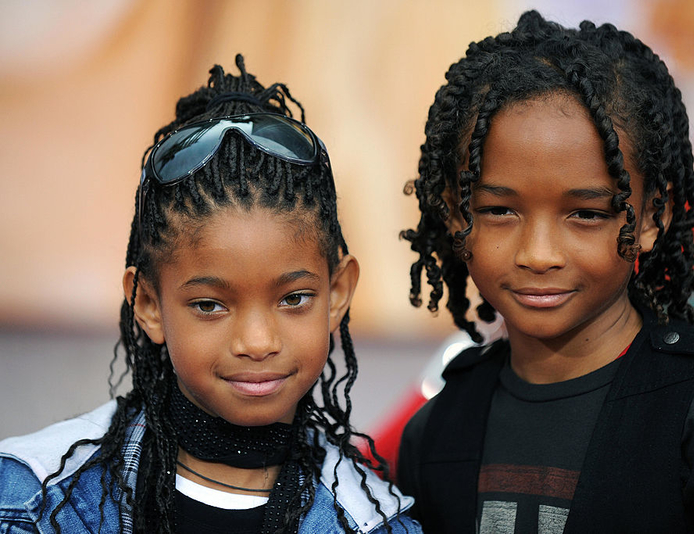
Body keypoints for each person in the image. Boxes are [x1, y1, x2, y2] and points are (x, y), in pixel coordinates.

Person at [397, 10, 694, 534]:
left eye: (586, 213)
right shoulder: (436, 431)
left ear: (654, 217)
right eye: (500, 210)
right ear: (455, 213)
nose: (539, 254)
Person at [0, 55, 420, 534]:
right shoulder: (30, 501)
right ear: (148, 305)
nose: (258, 342)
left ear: (338, 293)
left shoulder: (378, 524)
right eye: (209, 305)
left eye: (293, 298)